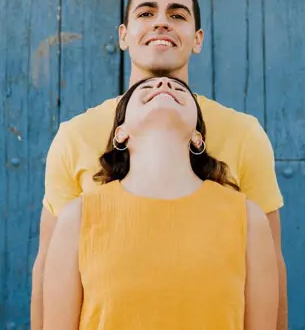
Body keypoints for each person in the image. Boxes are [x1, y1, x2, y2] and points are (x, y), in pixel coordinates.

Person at [31, 0, 288, 329]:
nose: (162, 23)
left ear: (197, 39)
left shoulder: (245, 134)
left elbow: (270, 263)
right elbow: (47, 265)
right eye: (146, 13)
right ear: (124, 36)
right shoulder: (74, 136)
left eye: (178, 15)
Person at [42, 75, 279, 329]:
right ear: (120, 133)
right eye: (146, 88)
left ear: (198, 137)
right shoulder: (77, 218)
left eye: (178, 89)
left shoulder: (248, 219)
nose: (164, 85)